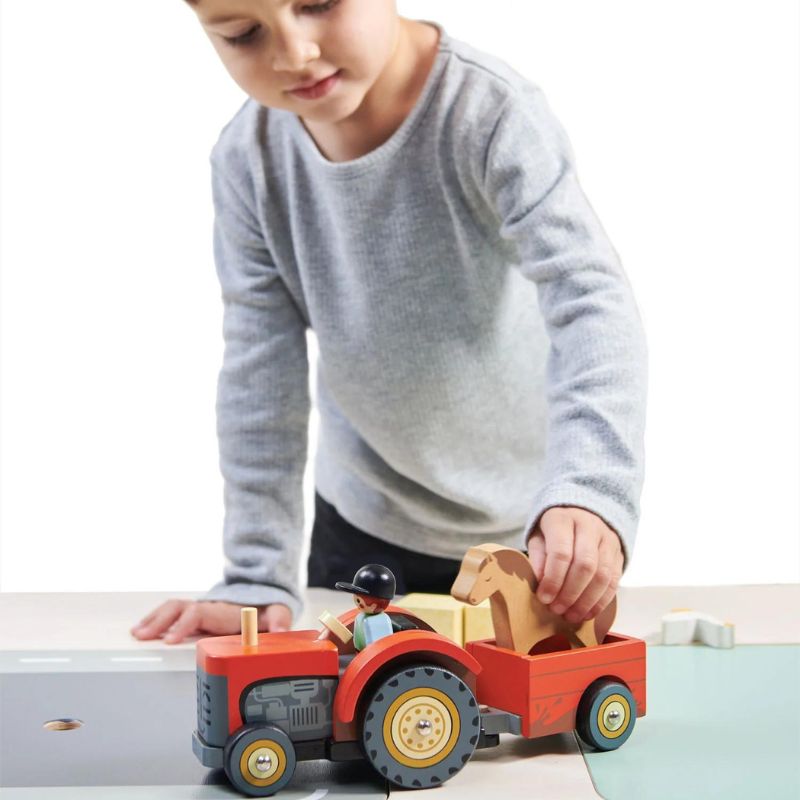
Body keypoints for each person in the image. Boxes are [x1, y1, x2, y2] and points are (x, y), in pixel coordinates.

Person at [131, 0, 647, 646]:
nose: (293, 53)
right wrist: (256, 576)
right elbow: (261, 372)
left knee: (534, 730)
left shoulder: (491, 114)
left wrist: (591, 490)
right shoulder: (247, 161)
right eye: (243, 33)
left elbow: (591, 300)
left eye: (317, 3)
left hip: (531, 538)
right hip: (364, 537)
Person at [335, 564, 396, 651]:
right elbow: (358, 639)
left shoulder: (380, 621)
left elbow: (378, 647)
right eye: (356, 600)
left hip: (372, 656)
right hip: (361, 653)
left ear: (379, 604)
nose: (358, 604)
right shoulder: (360, 617)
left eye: (359, 601)